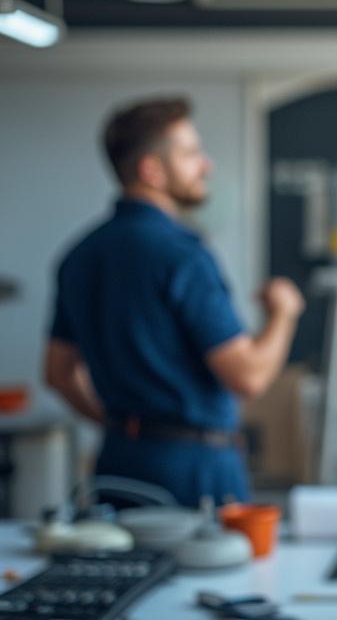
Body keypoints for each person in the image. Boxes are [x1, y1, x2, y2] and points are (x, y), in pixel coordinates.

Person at [44, 97, 305, 507]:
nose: (206, 165)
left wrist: (119, 424)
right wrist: (284, 313)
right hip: (195, 469)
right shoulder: (182, 254)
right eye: (191, 154)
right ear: (152, 170)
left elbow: (58, 373)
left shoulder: (79, 256)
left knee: (122, 572)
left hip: (117, 462)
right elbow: (248, 376)